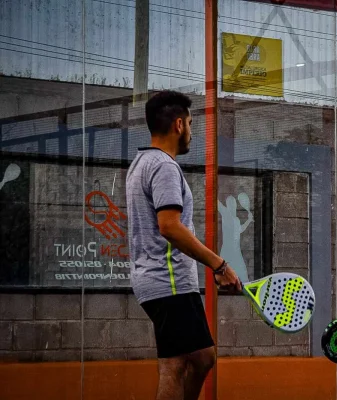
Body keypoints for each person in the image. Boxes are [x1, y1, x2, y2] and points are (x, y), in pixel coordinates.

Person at [126, 90, 241, 400]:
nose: (192, 131)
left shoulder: (140, 162)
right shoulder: (164, 166)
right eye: (190, 123)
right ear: (178, 125)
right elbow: (170, 227)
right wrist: (220, 265)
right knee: (176, 365)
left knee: (201, 357)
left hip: (161, 281)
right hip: (168, 282)